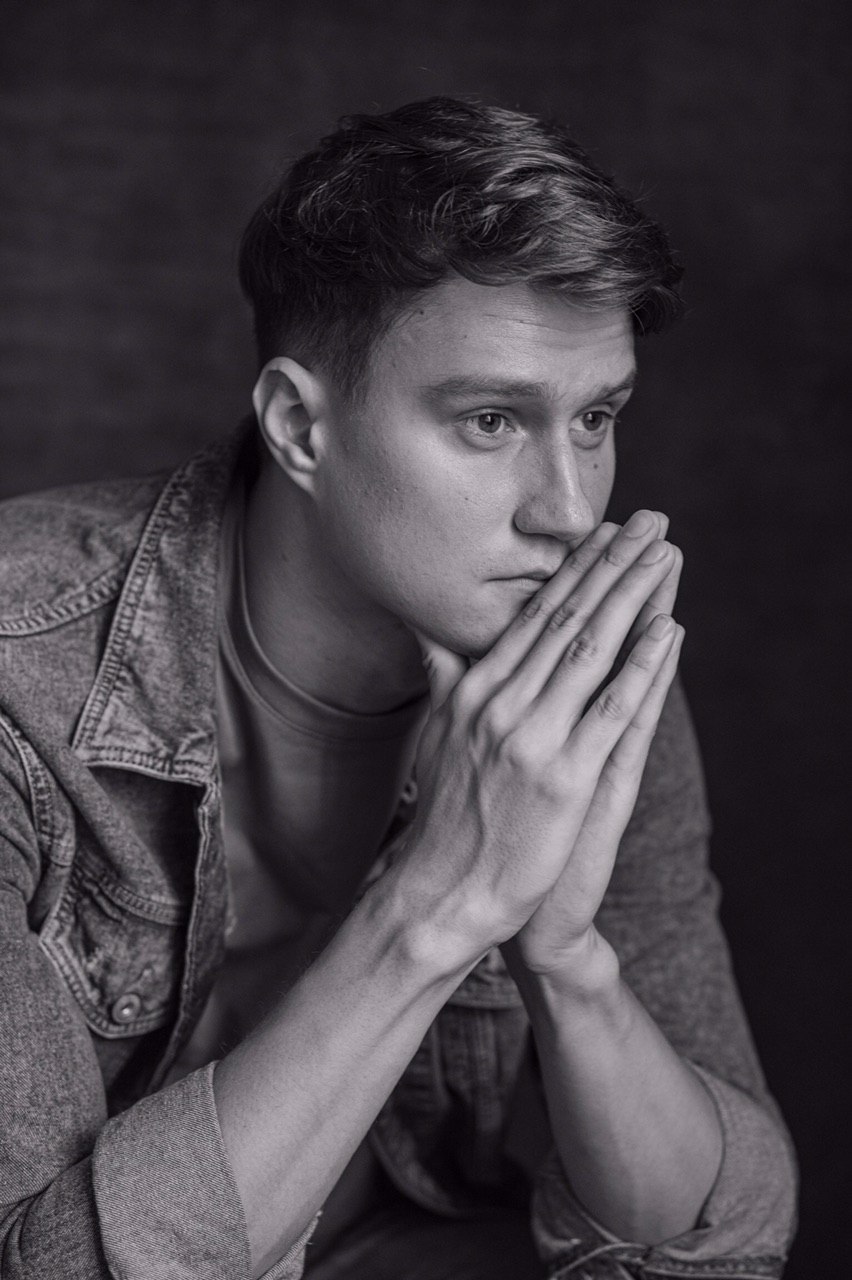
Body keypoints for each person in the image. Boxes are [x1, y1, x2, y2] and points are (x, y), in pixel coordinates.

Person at [0, 97, 796, 1280]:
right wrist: (439, 905)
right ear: (298, 427)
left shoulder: (577, 680)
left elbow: (720, 1245)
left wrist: (568, 961)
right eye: (492, 419)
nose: (569, 508)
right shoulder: (18, 685)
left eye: (596, 417)